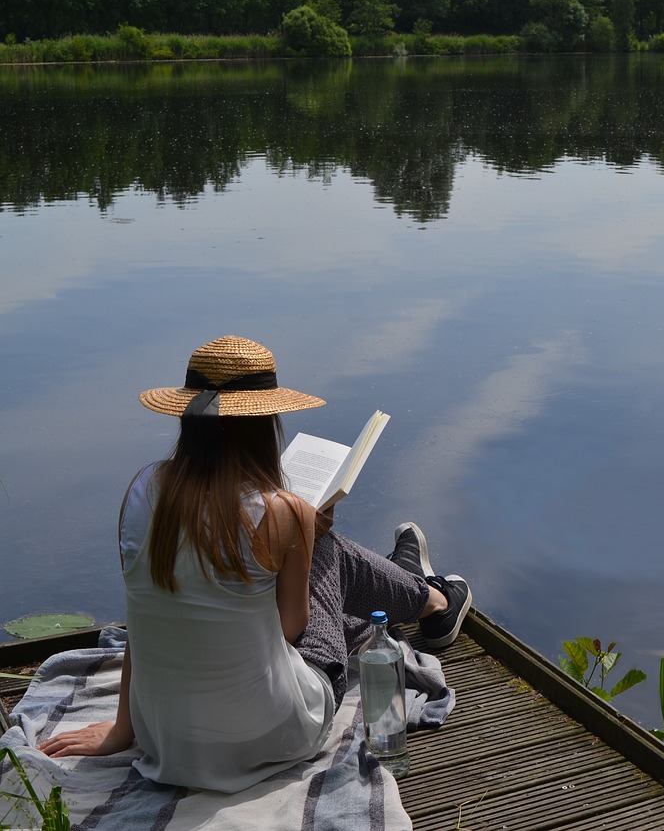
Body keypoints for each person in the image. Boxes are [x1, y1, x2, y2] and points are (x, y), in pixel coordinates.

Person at [38, 335, 472, 793]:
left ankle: (413, 588)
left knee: (314, 557)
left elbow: (143, 619)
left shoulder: (143, 491)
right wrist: (305, 536)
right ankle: (432, 599)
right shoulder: (282, 511)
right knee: (329, 553)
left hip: (166, 738)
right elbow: (291, 630)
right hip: (275, 734)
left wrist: (123, 730)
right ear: (265, 422)